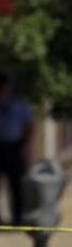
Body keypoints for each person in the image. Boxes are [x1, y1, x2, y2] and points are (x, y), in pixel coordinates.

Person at [0, 72, 34, 226]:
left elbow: (29, 125)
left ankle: (18, 217)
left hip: (14, 146)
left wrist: (26, 146)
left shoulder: (19, 104)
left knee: (16, 184)